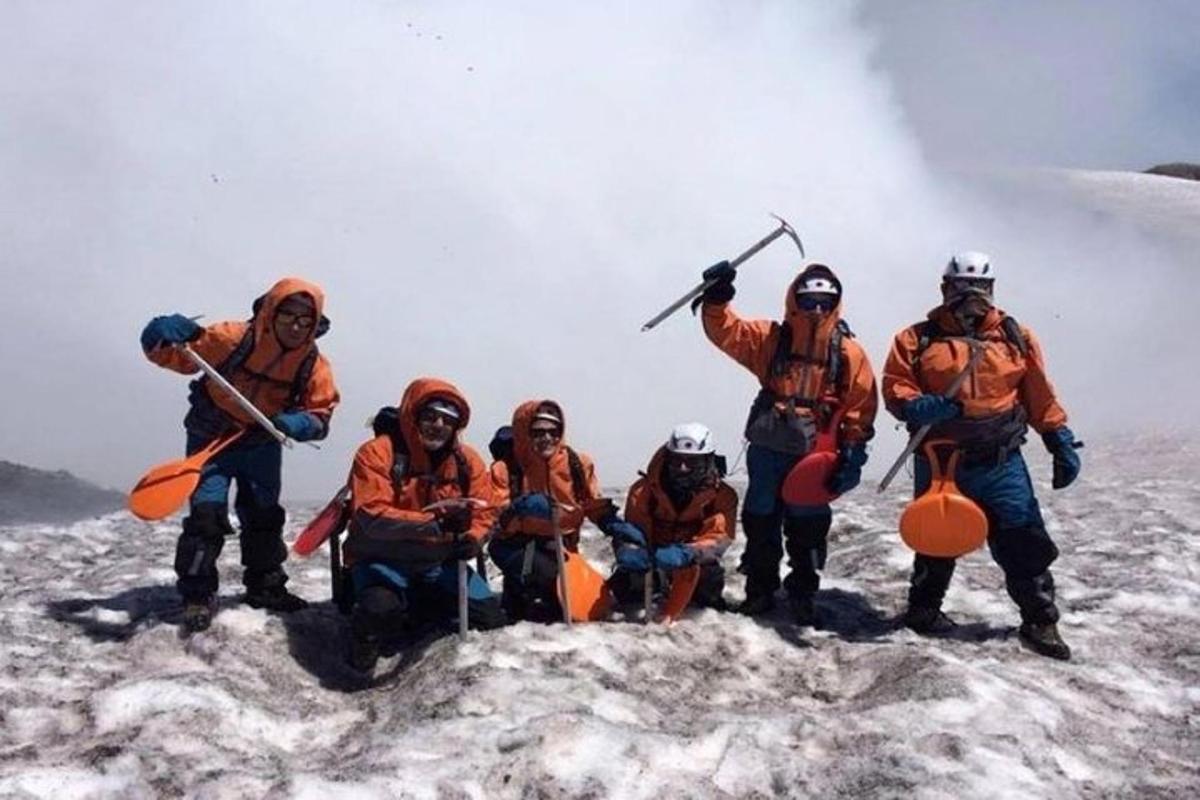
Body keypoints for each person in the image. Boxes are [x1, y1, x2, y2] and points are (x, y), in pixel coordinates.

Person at [882, 251, 1082, 660]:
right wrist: (915, 406)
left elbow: (1038, 393)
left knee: (1022, 538)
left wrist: (1057, 436)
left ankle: (1040, 619)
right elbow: (896, 386)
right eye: (961, 287)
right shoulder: (917, 339)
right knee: (936, 534)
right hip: (941, 459)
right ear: (945, 289)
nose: (972, 296)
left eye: (981, 287)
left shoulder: (1015, 337)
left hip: (1000, 459)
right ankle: (924, 609)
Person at [140, 277, 339, 633]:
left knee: (263, 516)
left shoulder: (313, 366)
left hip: (260, 442)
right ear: (271, 312)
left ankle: (265, 587)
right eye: (287, 315)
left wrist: (291, 423)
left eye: (304, 320)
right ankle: (197, 595)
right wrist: (156, 335)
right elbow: (176, 356)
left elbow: (320, 417)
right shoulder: (233, 338)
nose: (295, 325)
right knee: (207, 517)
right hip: (211, 436)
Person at [696, 261, 878, 625]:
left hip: (818, 448)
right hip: (770, 446)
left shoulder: (848, 353)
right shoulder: (771, 339)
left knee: (807, 526)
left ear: (835, 304)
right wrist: (716, 300)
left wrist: (854, 451)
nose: (816, 309)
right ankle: (761, 591)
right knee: (761, 519)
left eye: (824, 302)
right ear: (796, 299)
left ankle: (802, 594)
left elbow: (860, 403)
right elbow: (727, 331)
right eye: (809, 299)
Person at [341, 378, 505, 672]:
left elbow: (486, 510)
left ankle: (420, 610)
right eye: (430, 416)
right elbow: (370, 515)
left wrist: (474, 538)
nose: (438, 424)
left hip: (439, 562)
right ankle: (362, 646)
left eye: (448, 419)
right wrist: (435, 525)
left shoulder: (467, 461)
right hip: (383, 560)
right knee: (380, 610)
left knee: (489, 618)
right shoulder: (377, 453)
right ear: (412, 416)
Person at [487, 400, 642, 622]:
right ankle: (522, 593)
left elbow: (591, 502)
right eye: (538, 432)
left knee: (579, 598)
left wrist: (611, 523)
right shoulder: (506, 469)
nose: (547, 438)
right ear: (524, 433)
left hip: (564, 547)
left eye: (554, 431)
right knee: (546, 583)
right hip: (516, 545)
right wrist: (518, 509)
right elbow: (494, 522)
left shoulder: (577, 464)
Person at [611, 423, 738, 612]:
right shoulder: (643, 491)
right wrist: (628, 548)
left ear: (708, 461)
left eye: (692, 462)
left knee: (707, 588)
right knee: (627, 591)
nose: (683, 468)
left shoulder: (723, 496)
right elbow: (634, 530)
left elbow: (718, 538)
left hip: (691, 560)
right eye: (677, 460)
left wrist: (688, 553)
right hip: (652, 556)